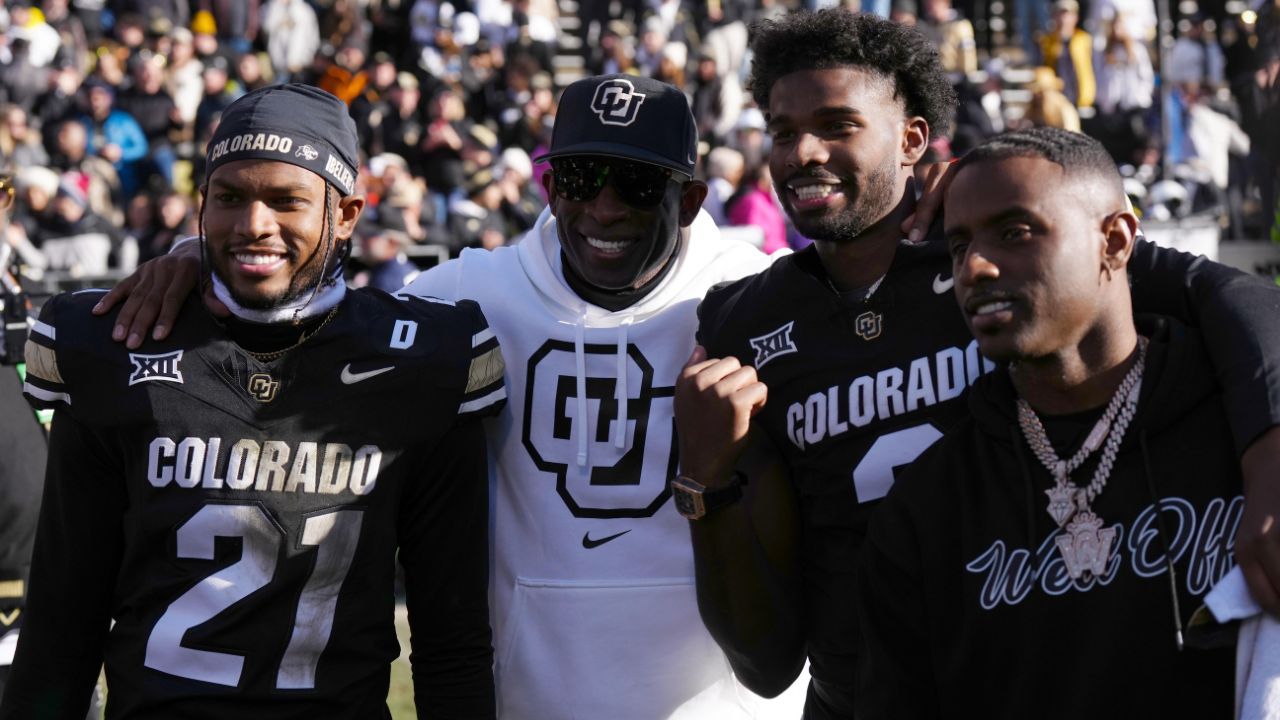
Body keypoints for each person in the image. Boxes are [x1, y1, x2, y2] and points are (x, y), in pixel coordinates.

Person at [91, 74, 828, 720]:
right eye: (578, 178)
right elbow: (312, 320)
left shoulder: (751, 296)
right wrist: (194, 260)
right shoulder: (464, 299)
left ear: (692, 198)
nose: (603, 208)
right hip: (524, 701)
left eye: (637, 185)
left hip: (719, 707)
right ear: (547, 185)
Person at [674, 9, 1280, 720]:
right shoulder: (744, 321)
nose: (803, 151)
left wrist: (1270, 456)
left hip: (1035, 653)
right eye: (781, 131)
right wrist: (703, 485)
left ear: (912, 140)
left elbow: (1230, 295)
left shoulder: (998, 251)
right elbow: (767, 662)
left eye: (837, 124)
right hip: (866, 692)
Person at [0, 84, 503, 720]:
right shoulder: (116, 344)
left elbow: (451, 641)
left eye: (285, 200)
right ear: (200, 207)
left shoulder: (423, 362)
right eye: (230, 198)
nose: (253, 225)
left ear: (346, 214)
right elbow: (60, 631)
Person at [856, 126, 1240, 717]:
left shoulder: (1243, 432)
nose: (975, 268)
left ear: (1114, 241)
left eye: (1015, 233)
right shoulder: (929, 505)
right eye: (959, 246)